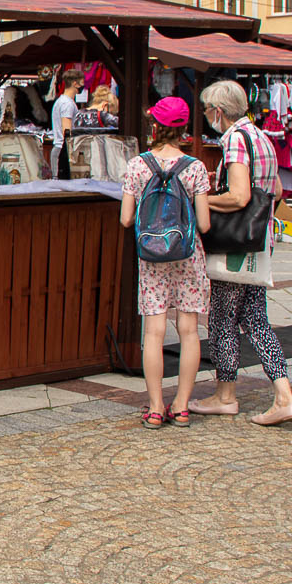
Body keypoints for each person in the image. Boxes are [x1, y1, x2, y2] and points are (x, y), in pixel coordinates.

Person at [190, 79, 292, 426]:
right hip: (259, 242)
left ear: (218, 111)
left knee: (223, 318)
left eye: (207, 110)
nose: (206, 115)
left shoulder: (235, 139)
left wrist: (204, 200)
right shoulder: (261, 136)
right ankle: (283, 395)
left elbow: (239, 196)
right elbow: (275, 189)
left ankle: (225, 395)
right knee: (255, 319)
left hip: (234, 246)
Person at [118, 96, 211, 428]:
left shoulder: (138, 165)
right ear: (184, 128)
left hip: (152, 257)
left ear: (155, 125)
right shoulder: (195, 167)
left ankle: (156, 407)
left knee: (155, 331)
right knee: (189, 330)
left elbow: (126, 218)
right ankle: (182, 406)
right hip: (187, 255)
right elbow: (204, 225)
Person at [49, 71, 82, 179]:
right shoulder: (67, 104)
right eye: (82, 82)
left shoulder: (62, 101)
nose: (83, 86)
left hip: (60, 149)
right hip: (63, 150)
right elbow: (66, 131)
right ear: (75, 83)